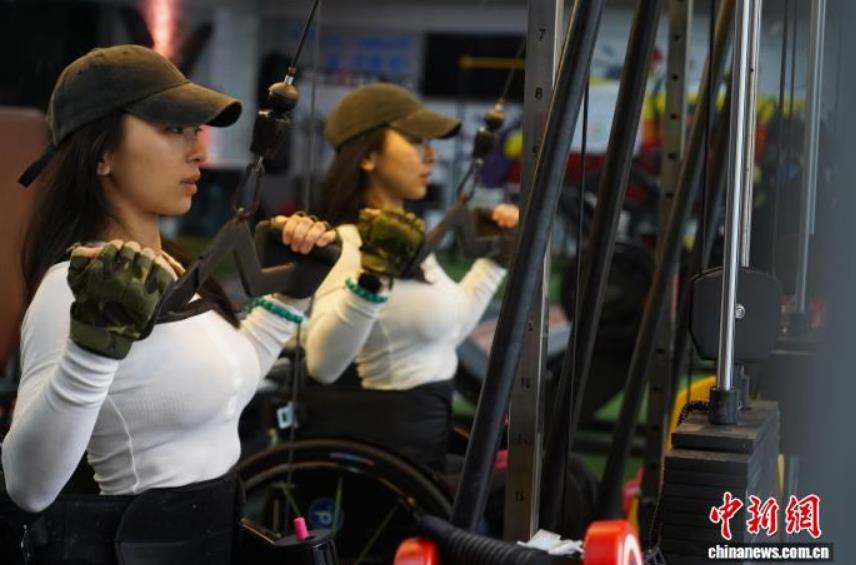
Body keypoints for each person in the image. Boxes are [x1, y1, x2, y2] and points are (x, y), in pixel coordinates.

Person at [0, 45, 336, 564]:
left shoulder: (178, 272)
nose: (198, 151)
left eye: (194, 130)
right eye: (172, 128)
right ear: (102, 154)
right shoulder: (73, 288)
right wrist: (92, 351)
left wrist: (289, 296)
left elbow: (225, 387)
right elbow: (26, 487)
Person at [303, 83, 519, 470]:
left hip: (428, 444)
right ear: (368, 156)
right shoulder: (351, 245)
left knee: (561, 475)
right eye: (416, 141)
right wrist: (372, 278)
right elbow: (322, 365)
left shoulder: (405, 241)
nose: (431, 155)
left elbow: (449, 328)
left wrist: (496, 260)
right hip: (394, 461)